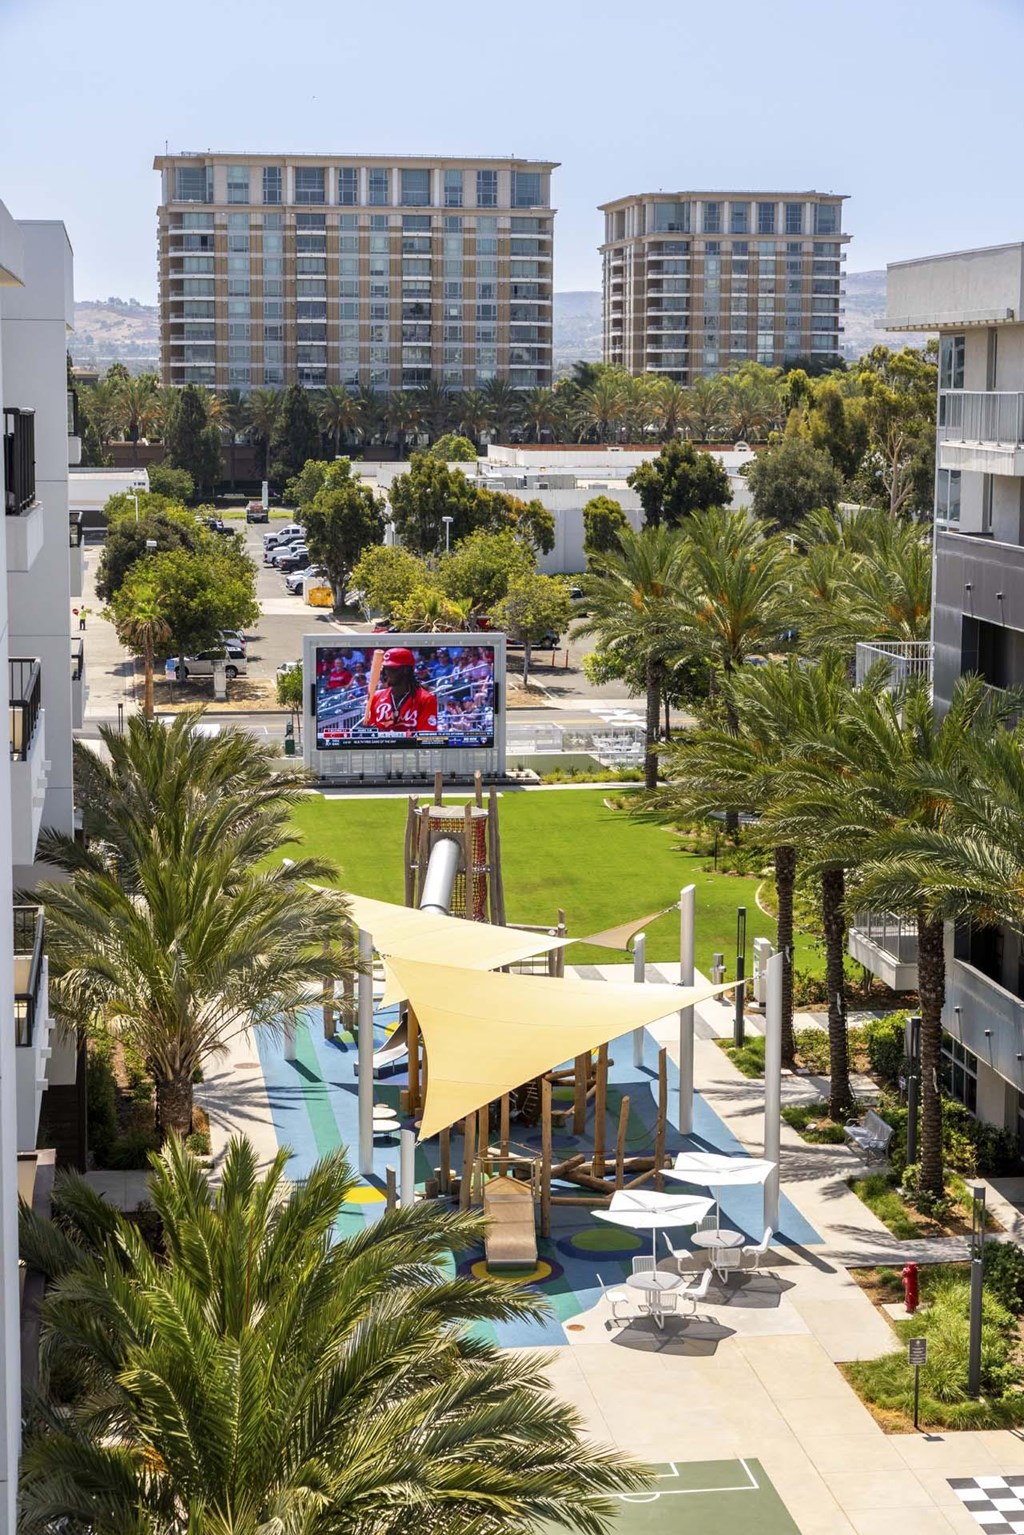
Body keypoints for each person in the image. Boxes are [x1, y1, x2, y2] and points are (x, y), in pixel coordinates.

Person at [365, 647, 438, 735]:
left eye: (391, 669)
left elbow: (425, 737)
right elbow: (372, 736)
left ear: (406, 670)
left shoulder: (426, 699)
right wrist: (365, 732)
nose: (386, 673)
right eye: (385, 669)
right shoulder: (376, 697)